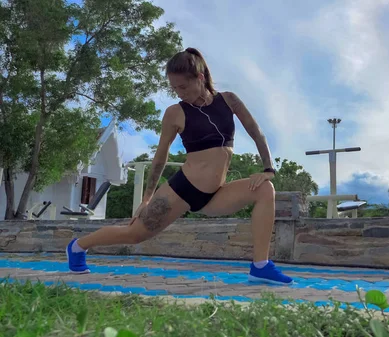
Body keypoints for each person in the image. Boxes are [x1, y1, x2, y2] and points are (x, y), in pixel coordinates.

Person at [65, 47, 293, 285]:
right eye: (174, 88)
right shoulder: (175, 113)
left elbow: (256, 132)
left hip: (216, 194)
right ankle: (78, 246)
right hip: (181, 190)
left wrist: (268, 169)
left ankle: (260, 266)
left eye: (183, 87)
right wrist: (146, 198)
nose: (179, 93)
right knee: (134, 235)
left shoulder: (229, 100)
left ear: (200, 78)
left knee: (266, 190)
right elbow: (161, 157)